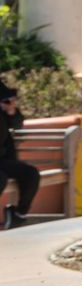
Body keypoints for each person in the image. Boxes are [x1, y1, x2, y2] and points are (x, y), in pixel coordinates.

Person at [0, 82, 39, 230]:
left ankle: (18, 214)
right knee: (1, 178)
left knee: (31, 173)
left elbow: (17, 124)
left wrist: (10, 111)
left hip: (3, 158)